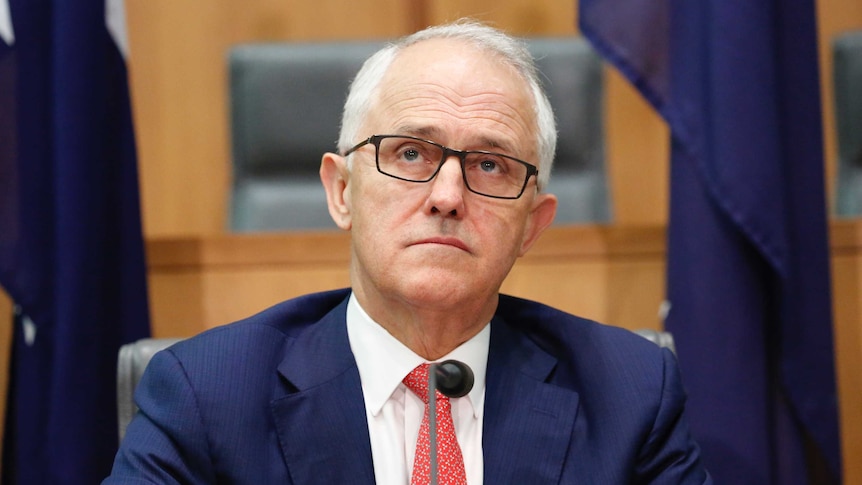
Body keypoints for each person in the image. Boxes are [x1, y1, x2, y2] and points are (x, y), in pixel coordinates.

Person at [105, 19, 711, 484]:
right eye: (411, 154)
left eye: (491, 164)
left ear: (532, 225)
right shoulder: (205, 395)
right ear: (341, 190)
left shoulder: (631, 394)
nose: (448, 196)